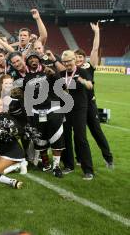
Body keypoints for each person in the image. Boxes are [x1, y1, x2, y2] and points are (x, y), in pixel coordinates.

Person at [74, 22, 113, 168]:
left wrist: (96, 32)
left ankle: (108, 158)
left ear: (83, 58)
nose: (78, 59)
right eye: (76, 57)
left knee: (96, 131)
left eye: (80, 57)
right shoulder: (72, 70)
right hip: (78, 105)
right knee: (79, 134)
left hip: (90, 104)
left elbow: (95, 48)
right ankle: (79, 158)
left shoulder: (90, 67)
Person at [60, 50, 95, 180]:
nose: (67, 64)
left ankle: (88, 170)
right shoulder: (61, 74)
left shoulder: (82, 72)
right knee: (66, 138)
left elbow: (90, 85)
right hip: (66, 109)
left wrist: (84, 82)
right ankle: (69, 165)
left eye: (69, 61)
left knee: (81, 138)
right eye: (65, 62)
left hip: (79, 109)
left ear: (74, 59)